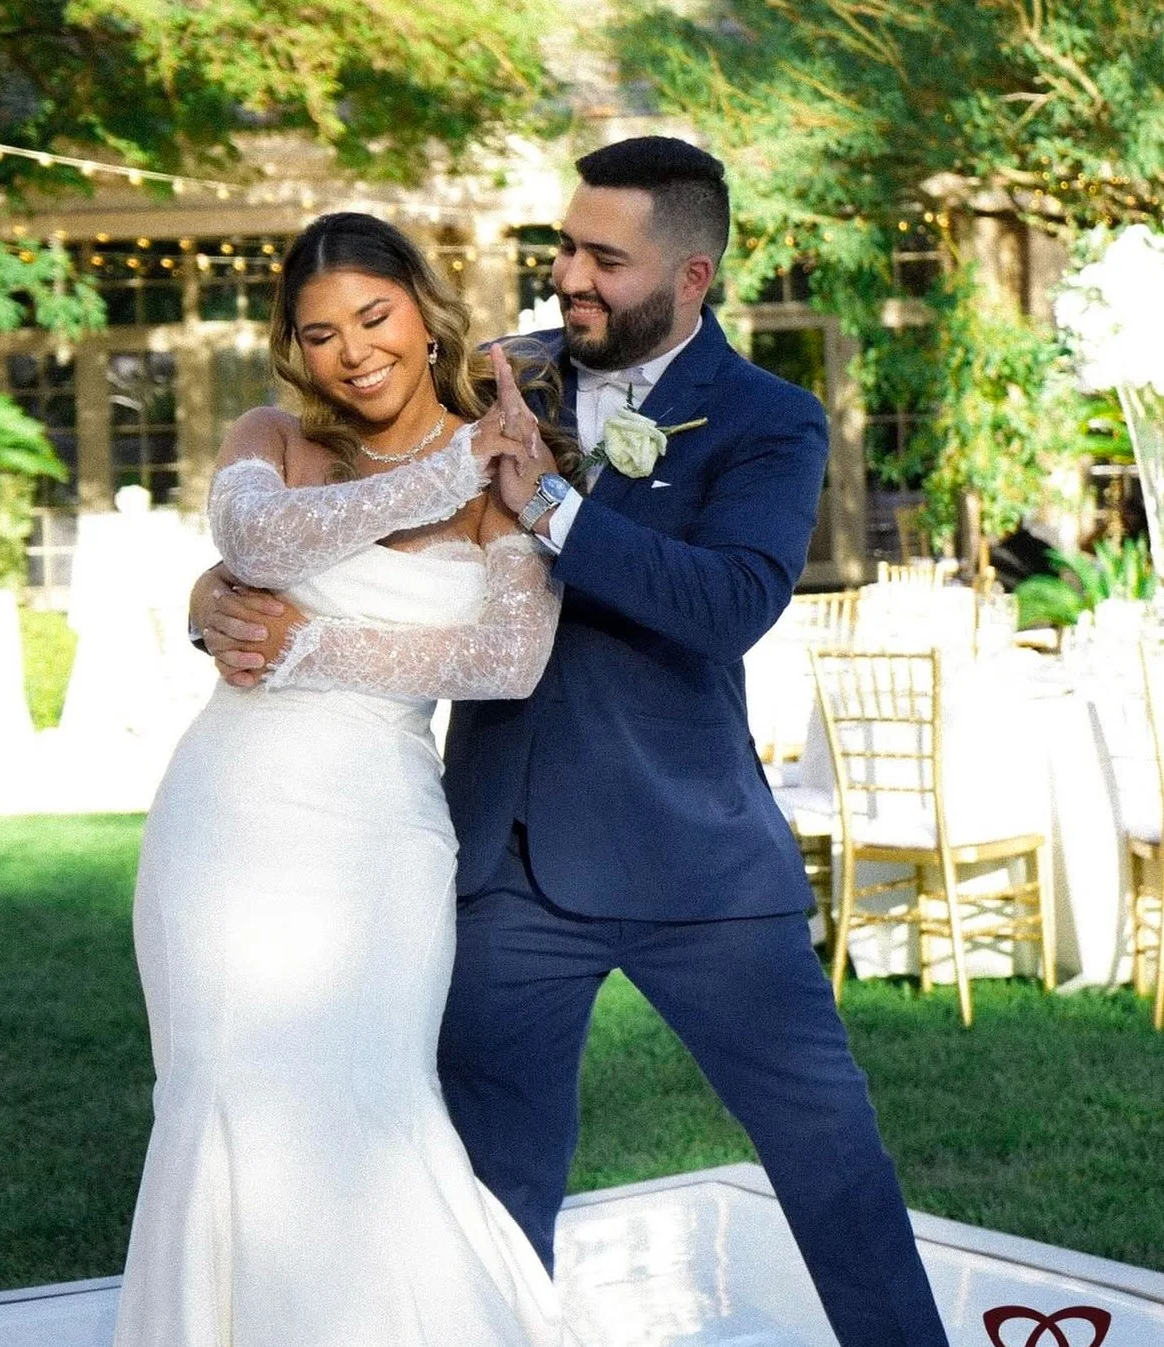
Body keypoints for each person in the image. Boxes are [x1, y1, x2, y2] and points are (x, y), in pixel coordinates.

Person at [198, 140, 950, 1346]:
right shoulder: (497, 377)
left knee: (831, 1159)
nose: (570, 276)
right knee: (489, 1198)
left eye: (606, 257)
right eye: (565, 247)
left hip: (699, 864)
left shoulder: (771, 419)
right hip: (502, 866)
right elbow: (338, 501)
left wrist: (552, 504)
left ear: (692, 274)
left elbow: (728, 606)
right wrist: (211, 596)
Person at [117, 212, 579, 1347]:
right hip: (224, 816)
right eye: (318, 332)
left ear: (423, 314)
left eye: (374, 317)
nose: (351, 350)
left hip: (376, 829)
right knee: (218, 1087)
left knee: (368, 1104)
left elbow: (506, 659)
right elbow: (263, 549)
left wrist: (312, 648)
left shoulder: (510, 465)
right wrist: (440, 471)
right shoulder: (271, 435)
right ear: (292, 346)